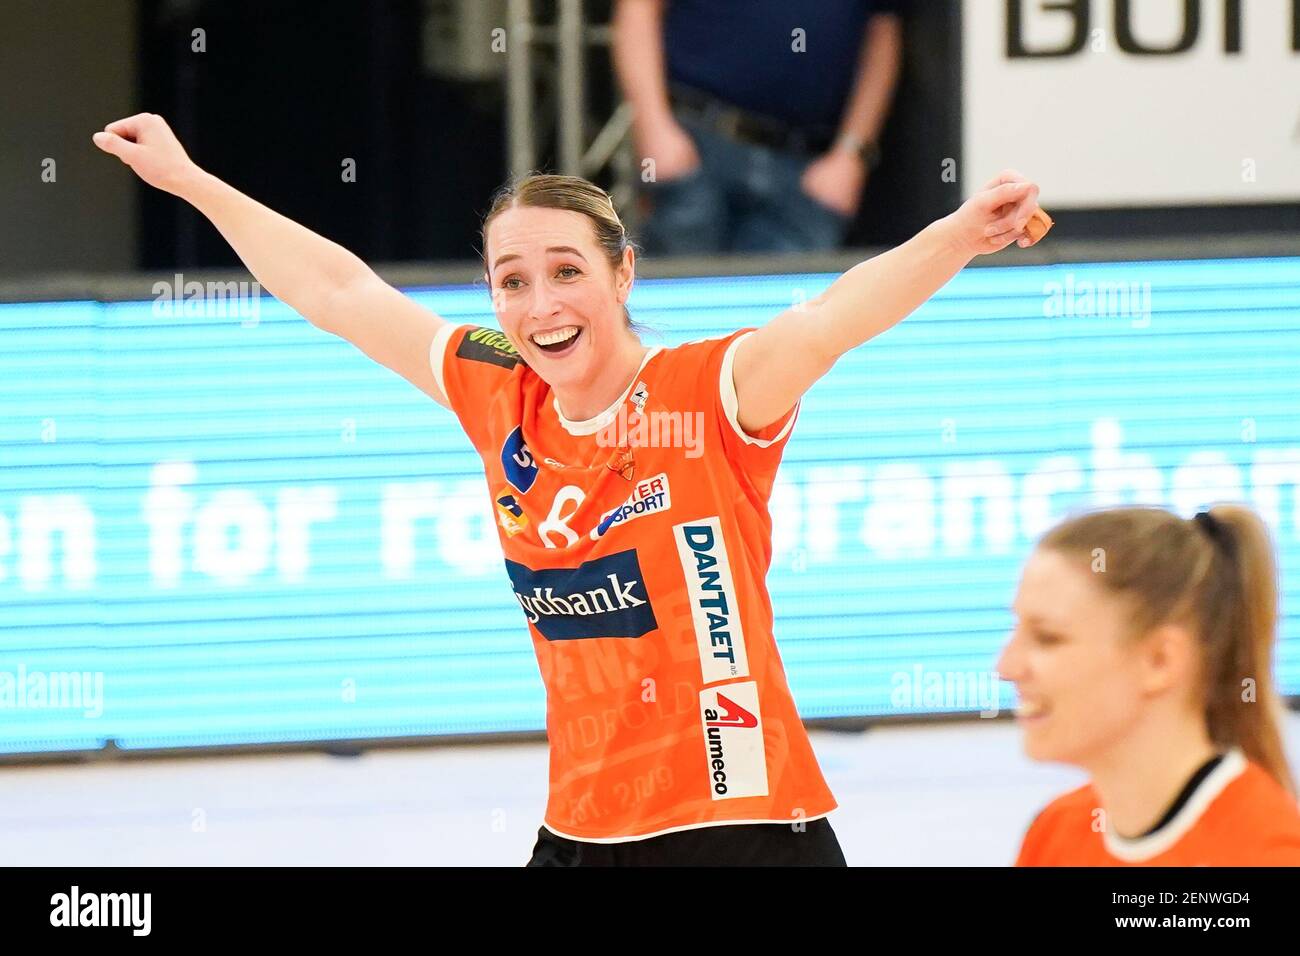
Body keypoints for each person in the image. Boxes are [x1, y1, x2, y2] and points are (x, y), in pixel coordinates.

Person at [93, 111, 1045, 865]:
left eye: (565, 272)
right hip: (583, 832)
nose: (540, 306)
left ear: (622, 272)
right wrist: (188, 181)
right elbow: (341, 293)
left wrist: (962, 233)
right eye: (512, 281)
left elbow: (837, 317)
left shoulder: (706, 391)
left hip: (743, 827)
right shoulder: (496, 384)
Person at [999, 505, 1300, 866]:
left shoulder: (1271, 855)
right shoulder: (1055, 833)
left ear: (1160, 660)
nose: (1007, 667)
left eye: (1048, 638)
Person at [612, 0, 903, 254]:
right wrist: (654, 126)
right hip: (695, 143)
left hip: (807, 167)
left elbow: (883, 30)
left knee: (787, 315)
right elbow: (638, 7)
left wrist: (851, 156)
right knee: (677, 307)